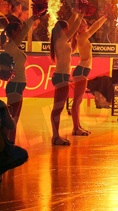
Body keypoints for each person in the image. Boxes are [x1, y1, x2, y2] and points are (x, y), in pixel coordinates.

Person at [49, 8, 84, 146]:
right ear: (63, 30)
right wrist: (81, 15)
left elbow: (69, 26)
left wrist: (74, 14)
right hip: (61, 77)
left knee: (59, 108)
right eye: (66, 29)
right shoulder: (61, 40)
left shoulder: (60, 40)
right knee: (57, 108)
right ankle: (55, 136)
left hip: (62, 76)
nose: (68, 30)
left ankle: (56, 135)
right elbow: (73, 28)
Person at [0, 16, 38, 143]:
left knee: (13, 118)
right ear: (13, 32)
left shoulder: (11, 47)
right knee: (12, 118)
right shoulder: (11, 47)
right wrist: (33, 18)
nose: (21, 32)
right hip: (15, 85)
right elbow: (25, 31)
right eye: (18, 30)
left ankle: (9, 142)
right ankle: (8, 143)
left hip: (17, 85)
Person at [70, 14, 107, 136]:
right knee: (77, 101)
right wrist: (104, 17)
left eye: (84, 24)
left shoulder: (81, 37)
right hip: (81, 71)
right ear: (77, 28)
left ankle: (78, 126)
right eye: (80, 26)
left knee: (78, 101)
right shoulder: (81, 37)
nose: (84, 27)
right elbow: (94, 27)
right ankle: (76, 128)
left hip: (82, 71)